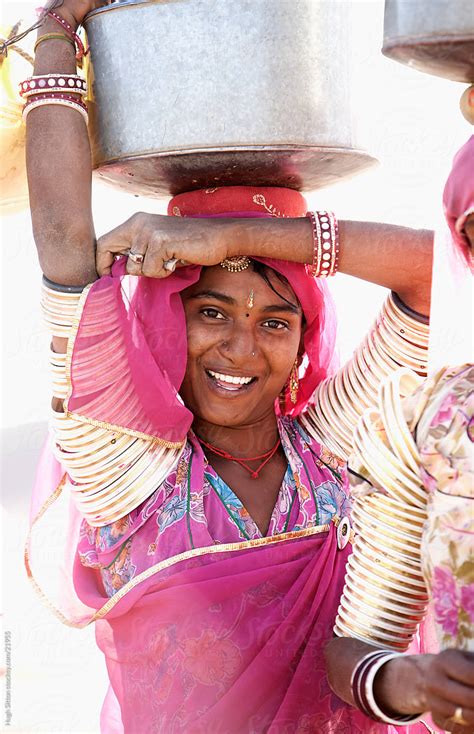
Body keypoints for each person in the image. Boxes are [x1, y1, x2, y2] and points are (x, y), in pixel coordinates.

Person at [23, 1, 474, 732]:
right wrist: (54, 35)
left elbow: (436, 273)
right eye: (211, 312)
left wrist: (226, 235)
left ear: (304, 340)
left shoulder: (333, 450)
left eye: (275, 321)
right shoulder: (127, 471)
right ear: (168, 319)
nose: (241, 348)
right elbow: (67, 249)